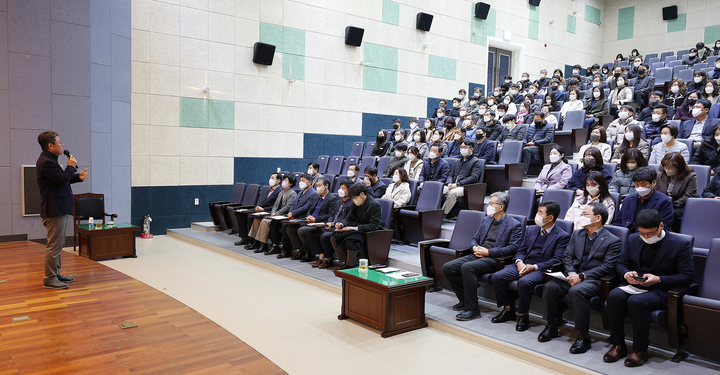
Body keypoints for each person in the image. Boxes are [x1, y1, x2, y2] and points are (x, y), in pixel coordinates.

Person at [604, 209, 693, 367]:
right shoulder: (633, 239)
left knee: (637, 302)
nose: (646, 237)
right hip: (635, 285)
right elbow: (621, 264)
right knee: (614, 296)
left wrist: (658, 279)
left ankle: (640, 350)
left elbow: (687, 276)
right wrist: (626, 274)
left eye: (650, 233)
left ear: (661, 226)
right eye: (642, 233)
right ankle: (618, 344)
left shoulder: (680, 244)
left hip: (661, 289)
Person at [539, 202, 622, 354]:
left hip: (593, 279)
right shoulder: (577, 234)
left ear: (597, 218)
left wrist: (582, 276)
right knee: (550, 287)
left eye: (585, 214)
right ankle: (552, 326)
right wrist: (571, 273)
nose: (581, 217)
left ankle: (584, 336)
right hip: (573, 275)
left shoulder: (613, 240)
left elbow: (607, 267)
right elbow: (567, 256)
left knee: (577, 291)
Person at [491, 201, 570, 331]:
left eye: (540, 212)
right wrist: (519, 262)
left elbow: (556, 259)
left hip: (541, 268)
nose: (536, 215)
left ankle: (523, 315)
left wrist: (534, 267)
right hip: (523, 263)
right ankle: (508, 309)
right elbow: (521, 250)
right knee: (497, 277)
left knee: (524, 282)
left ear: (550, 217)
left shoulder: (562, 236)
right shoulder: (531, 229)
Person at [443, 192, 523, 320]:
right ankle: (465, 299)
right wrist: (474, 247)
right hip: (479, 254)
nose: (489, 206)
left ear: (501, 207)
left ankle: (473, 309)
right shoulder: (487, 219)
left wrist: (489, 252)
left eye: (491, 204)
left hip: (494, 259)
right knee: (448, 267)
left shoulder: (514, 224)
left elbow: (513, 248)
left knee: (467, 268)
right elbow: (475, 238)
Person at [36, 131, 88, 289]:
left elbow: (60, 179)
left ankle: (55, 273)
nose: (62, 145)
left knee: (57, 245)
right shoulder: (46, 162)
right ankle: (50, 278)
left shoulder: (50, 160)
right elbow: (61, 179)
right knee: (54, 246)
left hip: (59, 208)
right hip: (54, 210)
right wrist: (71, 167)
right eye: (59, 142)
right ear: (50, 145)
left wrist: (77, 177)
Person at [285, 177, 338, 262]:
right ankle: (304, 249)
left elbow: (330, 215)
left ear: (326, 186)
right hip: (310, 221)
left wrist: (315, 219)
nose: (317, 188)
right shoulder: (317, 197)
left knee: (302, 231)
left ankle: (310, 253)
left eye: (319, 185)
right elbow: (310, 209)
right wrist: (309, 216)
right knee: (289, 228)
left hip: (320, 223)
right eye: (316, 186)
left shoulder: (332, 198)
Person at [305, 180, 355, 269]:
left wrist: (339, 224)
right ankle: (321, 257)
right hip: (332, 226)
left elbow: (348, 218)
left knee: (324, 236)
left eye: (343, 188)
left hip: (341, 228)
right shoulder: (339, 202)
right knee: (311, 233)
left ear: (350, 190)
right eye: (340, 188)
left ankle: (328, 259)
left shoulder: (352, 203)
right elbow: (332, 215)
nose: (340, 190)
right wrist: (330, 222)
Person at [331, 183, 383, 268]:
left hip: (366, 230)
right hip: (354, 227)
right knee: (334, 236)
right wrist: (342, 224)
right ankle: (345, 260)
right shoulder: (355, 203)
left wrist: (354, 228)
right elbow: (349, 218)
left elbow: (374, 225)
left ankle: (349, 265)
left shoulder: (374, 204)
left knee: (352, 239)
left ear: (362, 194)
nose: (354, 200)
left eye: (355, 197)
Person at [246, 174, 297, 254]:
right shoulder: (281, 193)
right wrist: (273, 212)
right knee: (256, 220)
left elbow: (287, 208)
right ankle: (255, 242)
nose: (283, 182)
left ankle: (263, 244)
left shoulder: (293, 194)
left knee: (264, 221)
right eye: (284, 180)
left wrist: (276, 213)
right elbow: (275, 205)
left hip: (283, 216)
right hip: (276, 215)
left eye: (286, 181)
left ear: (290, 184)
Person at [613, 167, 674, 232]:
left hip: (648, 236)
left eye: (644, 185)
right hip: (627, 235)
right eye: (637, 184)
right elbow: (618, 221)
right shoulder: (628, 199)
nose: (640, 187)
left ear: (654, 183)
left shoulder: (665, 201)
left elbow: (664, 226)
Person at [274, 173, 319, 258]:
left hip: (303, 217)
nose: (301, 182)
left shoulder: (313, 193)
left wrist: (293, 213)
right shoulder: (300, 192)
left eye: (303, 180)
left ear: (310, 182)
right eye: (300, 180)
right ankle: (298, 249)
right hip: (295, 216)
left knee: (287, 226)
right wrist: (290, 213)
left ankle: (293, 250)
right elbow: (293, 205)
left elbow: (306, 207)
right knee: (285, 226)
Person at [235, 173, 282, 246]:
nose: (270, 179)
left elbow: (276, 206)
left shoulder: (279, 191)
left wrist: (263, 209)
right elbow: (263, 202)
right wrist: (258, 207)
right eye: (270, 177)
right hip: (261, 210)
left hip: (268, 211)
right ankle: (245, 238)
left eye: (273, 178)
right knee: (240, 216)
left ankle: (253, 240)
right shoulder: (269, 190)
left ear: (278, 180)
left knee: (251, 217)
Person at [655, 152, 698, 231]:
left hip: (680, 205)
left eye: (671, 167)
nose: (667, 170)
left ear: (679, 167)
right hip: (663, 204)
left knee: (673, 214)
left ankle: (673, 232)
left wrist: (671, 203)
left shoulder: (690, 176)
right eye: (665, 167)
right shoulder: (660, 174)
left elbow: (689, 196)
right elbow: (656, 191)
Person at [441, 140, 483, 216]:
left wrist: (458, 184)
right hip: (453, 185)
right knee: (439, 189)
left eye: (465, 147)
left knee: (453, 193)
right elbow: (450, 175)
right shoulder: (458, 161)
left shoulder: (476, 162)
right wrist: (449, 183)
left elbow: (473, 177)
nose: (462, 149)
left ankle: (442, 214)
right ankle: (432, 211)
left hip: (466, 187)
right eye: (462, 147)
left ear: (471, 149)